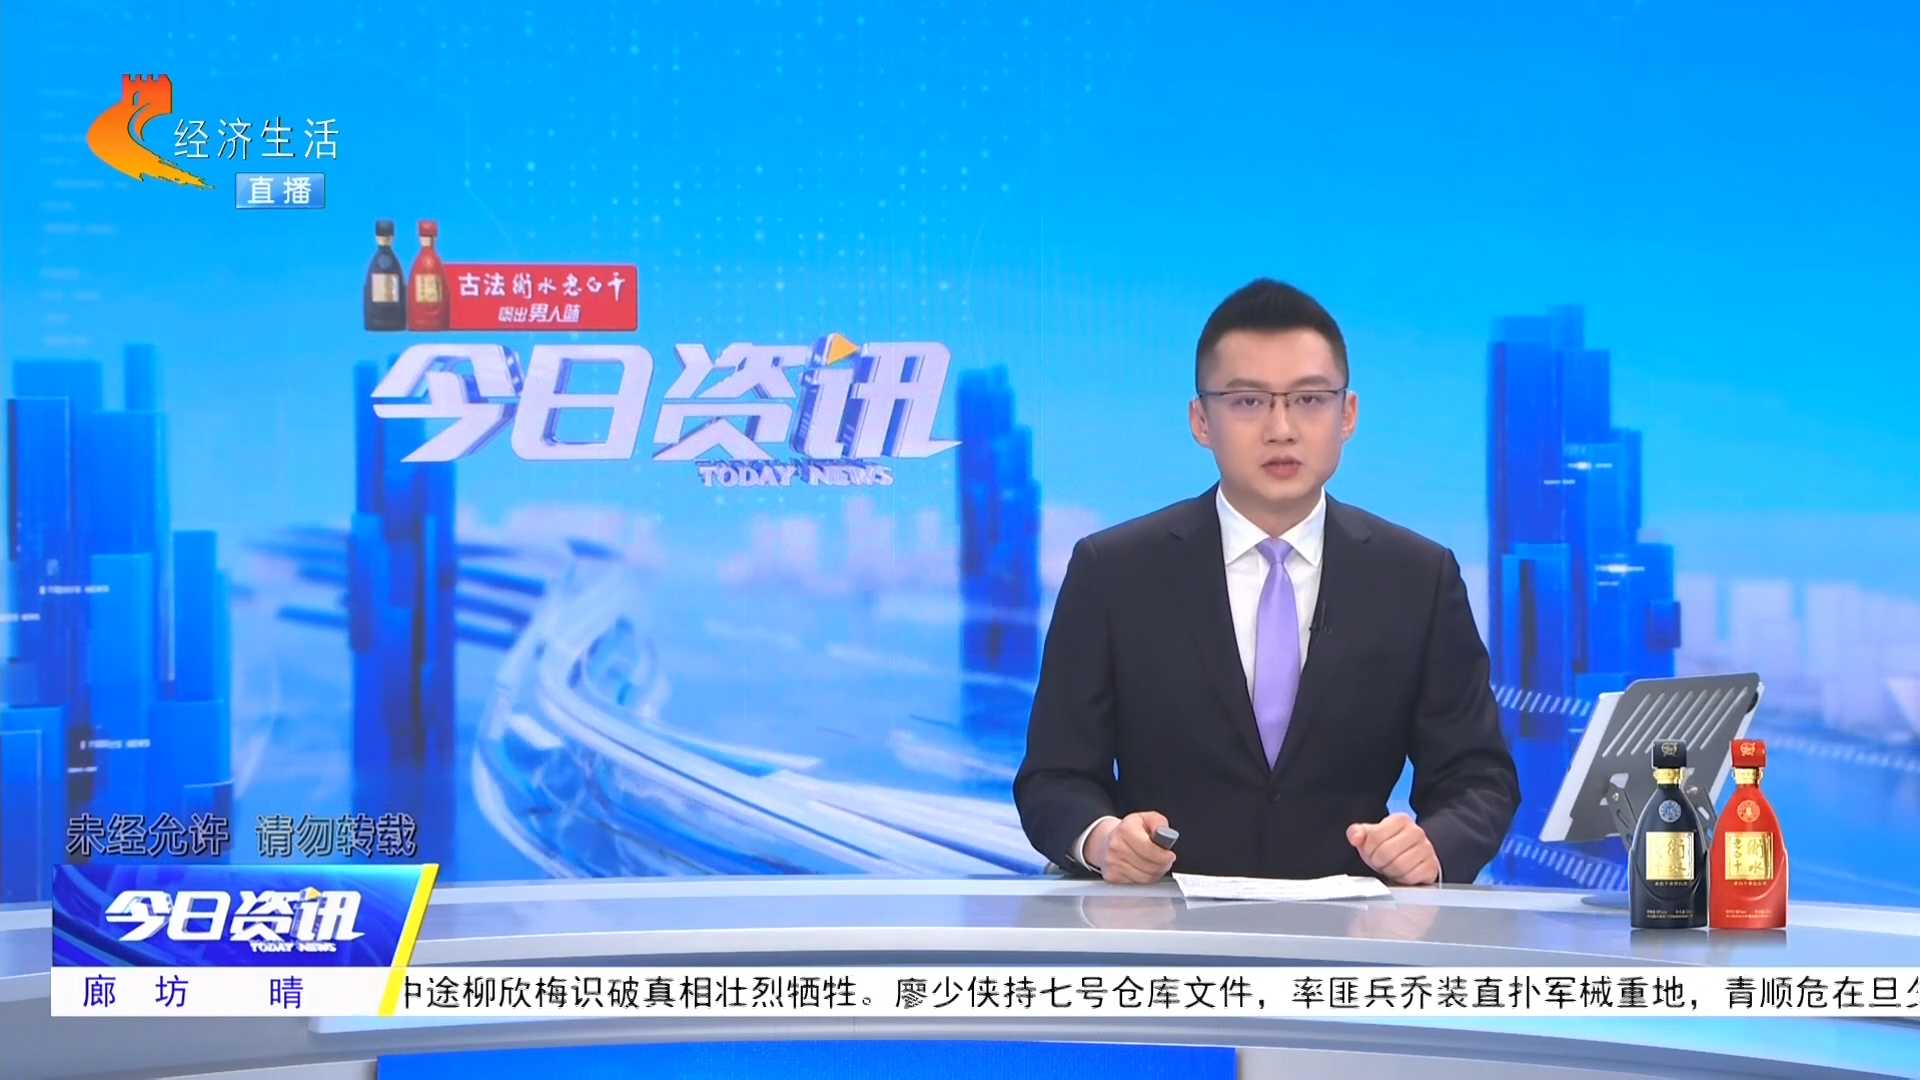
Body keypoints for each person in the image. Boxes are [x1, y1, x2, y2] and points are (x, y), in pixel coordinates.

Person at [1013, 279, 1520, 886]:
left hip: (1354, 929)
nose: (1282, 428)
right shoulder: (1114, 571)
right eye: (1248, 401)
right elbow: (1053, 778)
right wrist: (1103, 840)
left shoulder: (1417, 577)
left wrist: (1432, 847)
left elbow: (1478, 779)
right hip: (1158, 925)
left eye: (1309, 399)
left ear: (1348, 415)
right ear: (1201, 420)